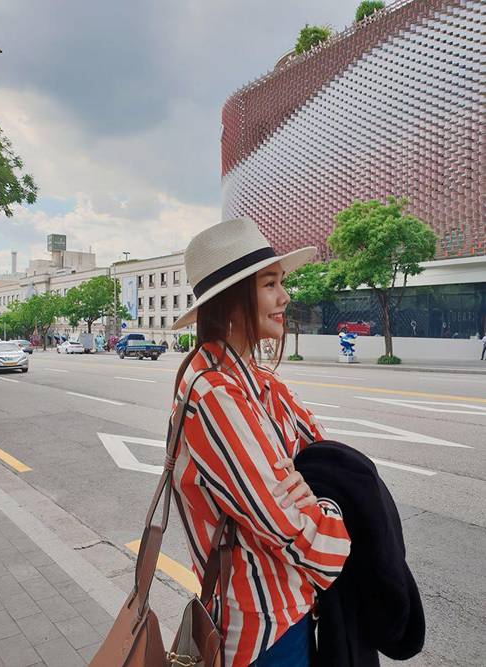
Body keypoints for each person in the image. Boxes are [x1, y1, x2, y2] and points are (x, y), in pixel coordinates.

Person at [170, 218, 350, 667]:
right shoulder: (214, 393)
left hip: (286, 612)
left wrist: (315, 488)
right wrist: (335, 513)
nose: (284, 297)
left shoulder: (261, 382)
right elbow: (298, 533)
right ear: (232, 301)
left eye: (281, 282)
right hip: (261, 630)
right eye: (270, 284)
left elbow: (327, 458)